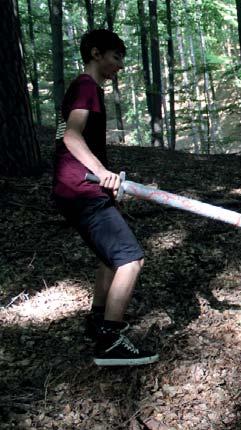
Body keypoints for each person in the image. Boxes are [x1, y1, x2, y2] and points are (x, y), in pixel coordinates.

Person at [51, 29, 158, 366]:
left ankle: (98, 320)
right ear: (96, 54)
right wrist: (103, 173)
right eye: (115, 57)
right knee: (130, 259)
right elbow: (71, 136)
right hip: (81, 189)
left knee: (110, 258)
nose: (120, 65)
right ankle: (110, 340)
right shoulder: (86, 87)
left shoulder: (85, 88)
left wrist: (110, 182)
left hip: (79, 188)